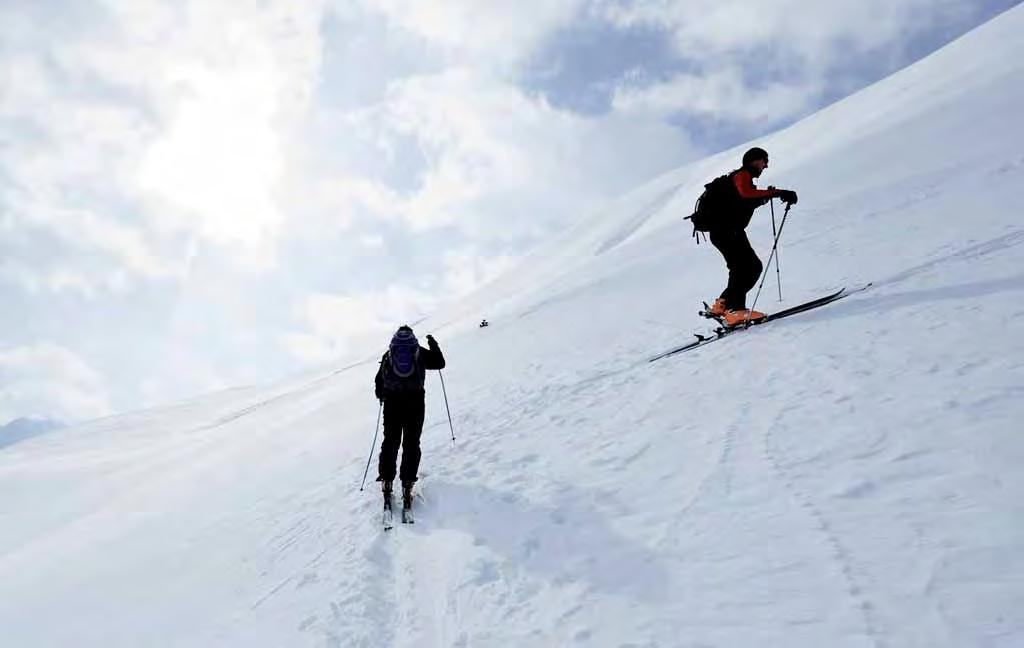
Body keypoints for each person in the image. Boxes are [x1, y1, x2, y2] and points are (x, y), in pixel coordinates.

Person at [705, 147, 798, 326]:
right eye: (764, 161)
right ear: (754, 161)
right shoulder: (743, 175)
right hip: (728, 231)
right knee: (750, 268)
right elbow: (746, 195)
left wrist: (768, 196)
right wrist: (776, 193)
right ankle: (735, 311)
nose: (766, 165)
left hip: (723, 232)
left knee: (742, 268)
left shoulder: (738, 180)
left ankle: (722, 306)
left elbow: (744, 202)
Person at [374, 325, 446, 510]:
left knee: (390, 441)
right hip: (415, 402)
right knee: (411, 443)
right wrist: (433, 344)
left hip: (392, 403)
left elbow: (378, 381)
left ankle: (387, 482)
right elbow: (439, 363)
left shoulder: (388, 354)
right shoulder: (418, 351)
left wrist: (383, 396)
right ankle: (407, 485)